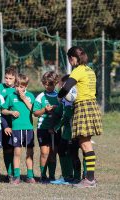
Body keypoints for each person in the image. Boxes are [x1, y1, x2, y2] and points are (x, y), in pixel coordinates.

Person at [58, 46, 103, 188]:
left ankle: (89, 180)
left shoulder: (77, 71)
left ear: (73, 58)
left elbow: (66, 87)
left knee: (84, 144)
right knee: (86, 142)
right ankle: (90, 178)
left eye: (69, 59)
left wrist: (59, 97)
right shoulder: (90, 71)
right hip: (92, 105)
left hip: (83, 107)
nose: (70, 62)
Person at [2, 74, 36, 184]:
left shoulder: (30, 96)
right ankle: (16, 176)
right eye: (17, 86)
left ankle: (30, 176)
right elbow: (3, 110)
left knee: (29, 153)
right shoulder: (11, 96)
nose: (19, 89)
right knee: (17, 152)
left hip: (29, 128)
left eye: (21, 86)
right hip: (16, 129)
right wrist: (11, 112)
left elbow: (34, 111)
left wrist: (24, 98)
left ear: (26, 86)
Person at [50, 74, 82, 185]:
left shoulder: (70, 95)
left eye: (62, 84)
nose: (61, 87)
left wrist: (57, 126)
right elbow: (60, 111)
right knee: (63, 151)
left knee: (72, 153)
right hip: (67, 132)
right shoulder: (64, 98)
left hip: (72, 132)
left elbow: (67, 115)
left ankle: (76, 177)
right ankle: (67, 176)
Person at [33, 71, 60, 183]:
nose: (47, 86)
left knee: (53, 153)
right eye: (45, 84)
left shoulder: (59, 96)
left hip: (56, 129)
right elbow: (35, 113)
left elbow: (62, 111)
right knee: (44, 152)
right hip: (43, 128)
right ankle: (43, 176)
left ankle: (52, 176)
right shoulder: (40, 97)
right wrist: (45, 109)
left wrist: (55, 109)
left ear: (56, 83)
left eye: (50, 84)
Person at [0, 66, 18, 182]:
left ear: (15, 78)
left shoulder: (18, 89)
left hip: (16, 124)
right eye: (6, 78)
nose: (8, 81)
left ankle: (16, 173)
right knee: (7, 149)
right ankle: (10, 173)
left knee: (16, 150)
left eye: (11, 78)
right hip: (3, 123)